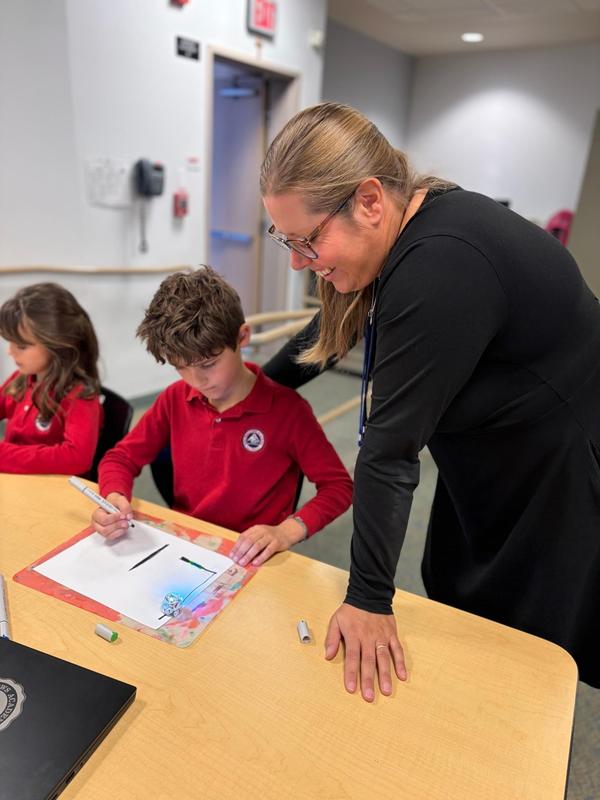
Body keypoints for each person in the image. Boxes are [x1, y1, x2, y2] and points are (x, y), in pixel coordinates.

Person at [260, 101, 600, 701]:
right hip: (490, 451)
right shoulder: (405, 226)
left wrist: (367, 598)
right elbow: (336, 324)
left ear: (369, 200)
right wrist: (261, 386)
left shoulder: (443, 262)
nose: (296, 260)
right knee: (458, 597)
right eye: (284, 240)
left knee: (530, 651)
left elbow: (389, 450)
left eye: (306, 240)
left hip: (558, 470)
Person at [93, 267, 353, 567]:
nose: (197, 381)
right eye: (181, 367)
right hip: (187, 544)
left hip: (253, 557)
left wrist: (286, 531)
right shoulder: (175, 398)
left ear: (242, 337)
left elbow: (338, 487)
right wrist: (114, 496)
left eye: (208, 364)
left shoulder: (288, 411)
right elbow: (121, 458)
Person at [0, 282, 102, 474]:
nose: (9, 352)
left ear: (57, 347)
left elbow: (77, 459)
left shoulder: (80, 396)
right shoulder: (21, 378)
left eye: (21, 346)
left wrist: (4, 455)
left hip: (47, 488)